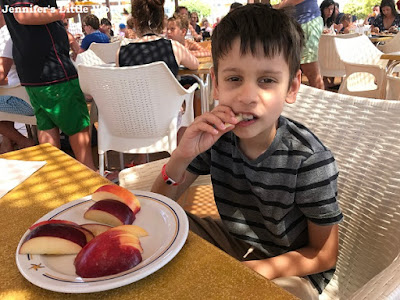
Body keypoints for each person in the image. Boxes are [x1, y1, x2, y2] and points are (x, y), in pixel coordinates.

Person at [152, 4, 342, 299]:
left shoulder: (309, 160)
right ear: (216, 84)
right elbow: (159, 206)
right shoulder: (216, 137)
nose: (248, 97)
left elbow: (324, 254)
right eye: (234, 79)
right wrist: (182, 156)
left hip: (294, 270)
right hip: (239, 245)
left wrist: (254, 271)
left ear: (291, 88)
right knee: (167, 226)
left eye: (267, 80)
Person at [0, 0, 96, 170]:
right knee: (77, 126)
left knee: (47, 125)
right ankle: (90, 173)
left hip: (35, 74)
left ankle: (56, 175)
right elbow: (23, 15)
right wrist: (61, 13)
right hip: (53, 68)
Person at [118, 0, 198, 164]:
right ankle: (180, 158)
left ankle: (141, 159)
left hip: (132, 122)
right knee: (189, 93)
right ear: (162, 20)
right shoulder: (173, 47)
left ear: (135, 22)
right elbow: (195, 65)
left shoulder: (122, 51)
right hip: (166, 120)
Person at [0, 10, 35, 153]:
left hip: (24, 99)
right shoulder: (21, 29)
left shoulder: (6, 34)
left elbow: (1, 75)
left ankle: (24, 142)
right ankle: (8, 142)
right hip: (37, 93)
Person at [274, 0, 324, 90]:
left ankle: (321, 102)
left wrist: (277, 7)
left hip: (307, 21)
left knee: (311, 71)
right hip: (296, 22)